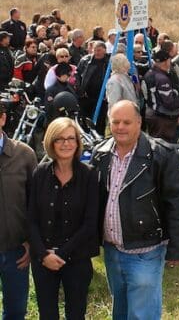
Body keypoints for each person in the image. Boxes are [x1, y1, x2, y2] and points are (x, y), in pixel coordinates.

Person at [90, 100, 179, 320]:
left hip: (146, 250)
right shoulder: (101, 153)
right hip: (112, 250)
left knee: (141, 314)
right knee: (121, 310)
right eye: (115, 122)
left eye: (127, 122)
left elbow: (178, 203)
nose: (120, 127)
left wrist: (176, 248)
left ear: (139, 122)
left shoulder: (160, 155)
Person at [29, 117, 99, 320]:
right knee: (47, 315)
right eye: (60, 139)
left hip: (76, 258)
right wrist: (44, 255)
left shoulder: (89, 175)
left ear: (78, 142)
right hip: (44, 259)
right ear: (51, 142)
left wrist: (61, 253)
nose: (66, 143)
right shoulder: (40, 173)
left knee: (76, 314)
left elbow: (90, 223)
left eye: (71, 138)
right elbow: (31, 219)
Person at [0, 102, 37, 320]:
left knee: (15, 311)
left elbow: (36, 204)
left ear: (3, 118)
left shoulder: (24, 155)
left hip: (16, 252)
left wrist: (31, 241)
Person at [144, 49, 179, 141]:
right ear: (166, 61)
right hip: (162, 118)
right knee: (162, 148)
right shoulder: (162, 79)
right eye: (169, 60)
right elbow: (169, 102)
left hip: (152, 113)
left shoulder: (149, 73)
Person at [76, 41, 110, 135]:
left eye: (99, 50)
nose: (96, 53)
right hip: (86, 97)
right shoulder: (85, 61)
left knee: (100, 121)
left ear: (104, 50)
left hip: (102, 98)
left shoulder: (109, 61)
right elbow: (77, 75)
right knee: (85, 120)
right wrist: (80, 90)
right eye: (95, 50)